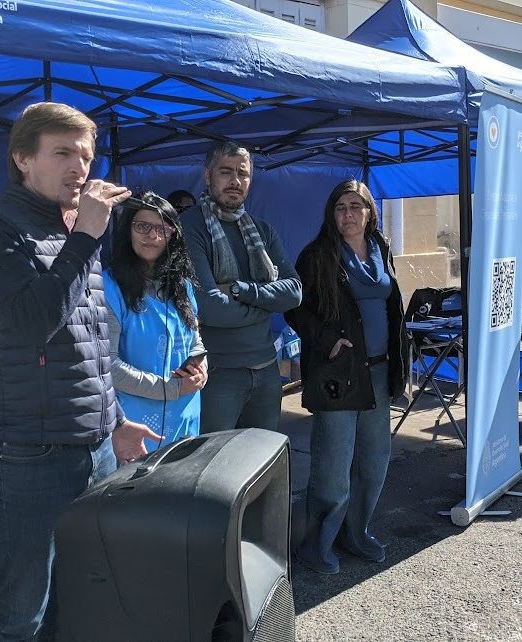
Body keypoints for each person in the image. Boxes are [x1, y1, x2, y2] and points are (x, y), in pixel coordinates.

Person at [0, 102, 157, 640]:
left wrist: (114, 421)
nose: (80, 168)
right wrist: (86, 237)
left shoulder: (72, 232)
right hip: (26, 453)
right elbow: (30, 325)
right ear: (22, 158)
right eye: (62, 153)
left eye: (86, 156)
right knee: (24, 607)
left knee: (82, 589)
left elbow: (88, 347)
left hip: (92, 446)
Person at [284, 179, 407, 575]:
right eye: (341, 207)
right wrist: (327, 340)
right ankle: (316, 544)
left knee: (374, 461)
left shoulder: (380, 249)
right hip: (338, 375)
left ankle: (357, 533)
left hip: (379, 370)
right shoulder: (317, 255)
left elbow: (390, 305)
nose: (349, 214)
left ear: (370, 212)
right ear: (331, 214)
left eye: (357, 206)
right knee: (333, 467)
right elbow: (295, 309)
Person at [182, 141, 302, 433]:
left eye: (243, 173)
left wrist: (239, 291)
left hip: (266, 370)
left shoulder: (261, 230)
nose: (235, 181)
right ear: (208, 175)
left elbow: (295, 292)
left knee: (260, 465)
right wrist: (266, 307)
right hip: (217, 374)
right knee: (214, 466)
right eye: (226, 171)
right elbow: (210, 308)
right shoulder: (189, 226)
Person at [103, 192, 206, 450]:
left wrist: (202, 367)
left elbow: (195, 340)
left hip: (186, 418)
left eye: (162, 228)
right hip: (136, 429)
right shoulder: (109, 288)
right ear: (127, 231)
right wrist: (172, 388)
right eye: (142, 226)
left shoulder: (181, 286)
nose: (153, 236)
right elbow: (108, 366)